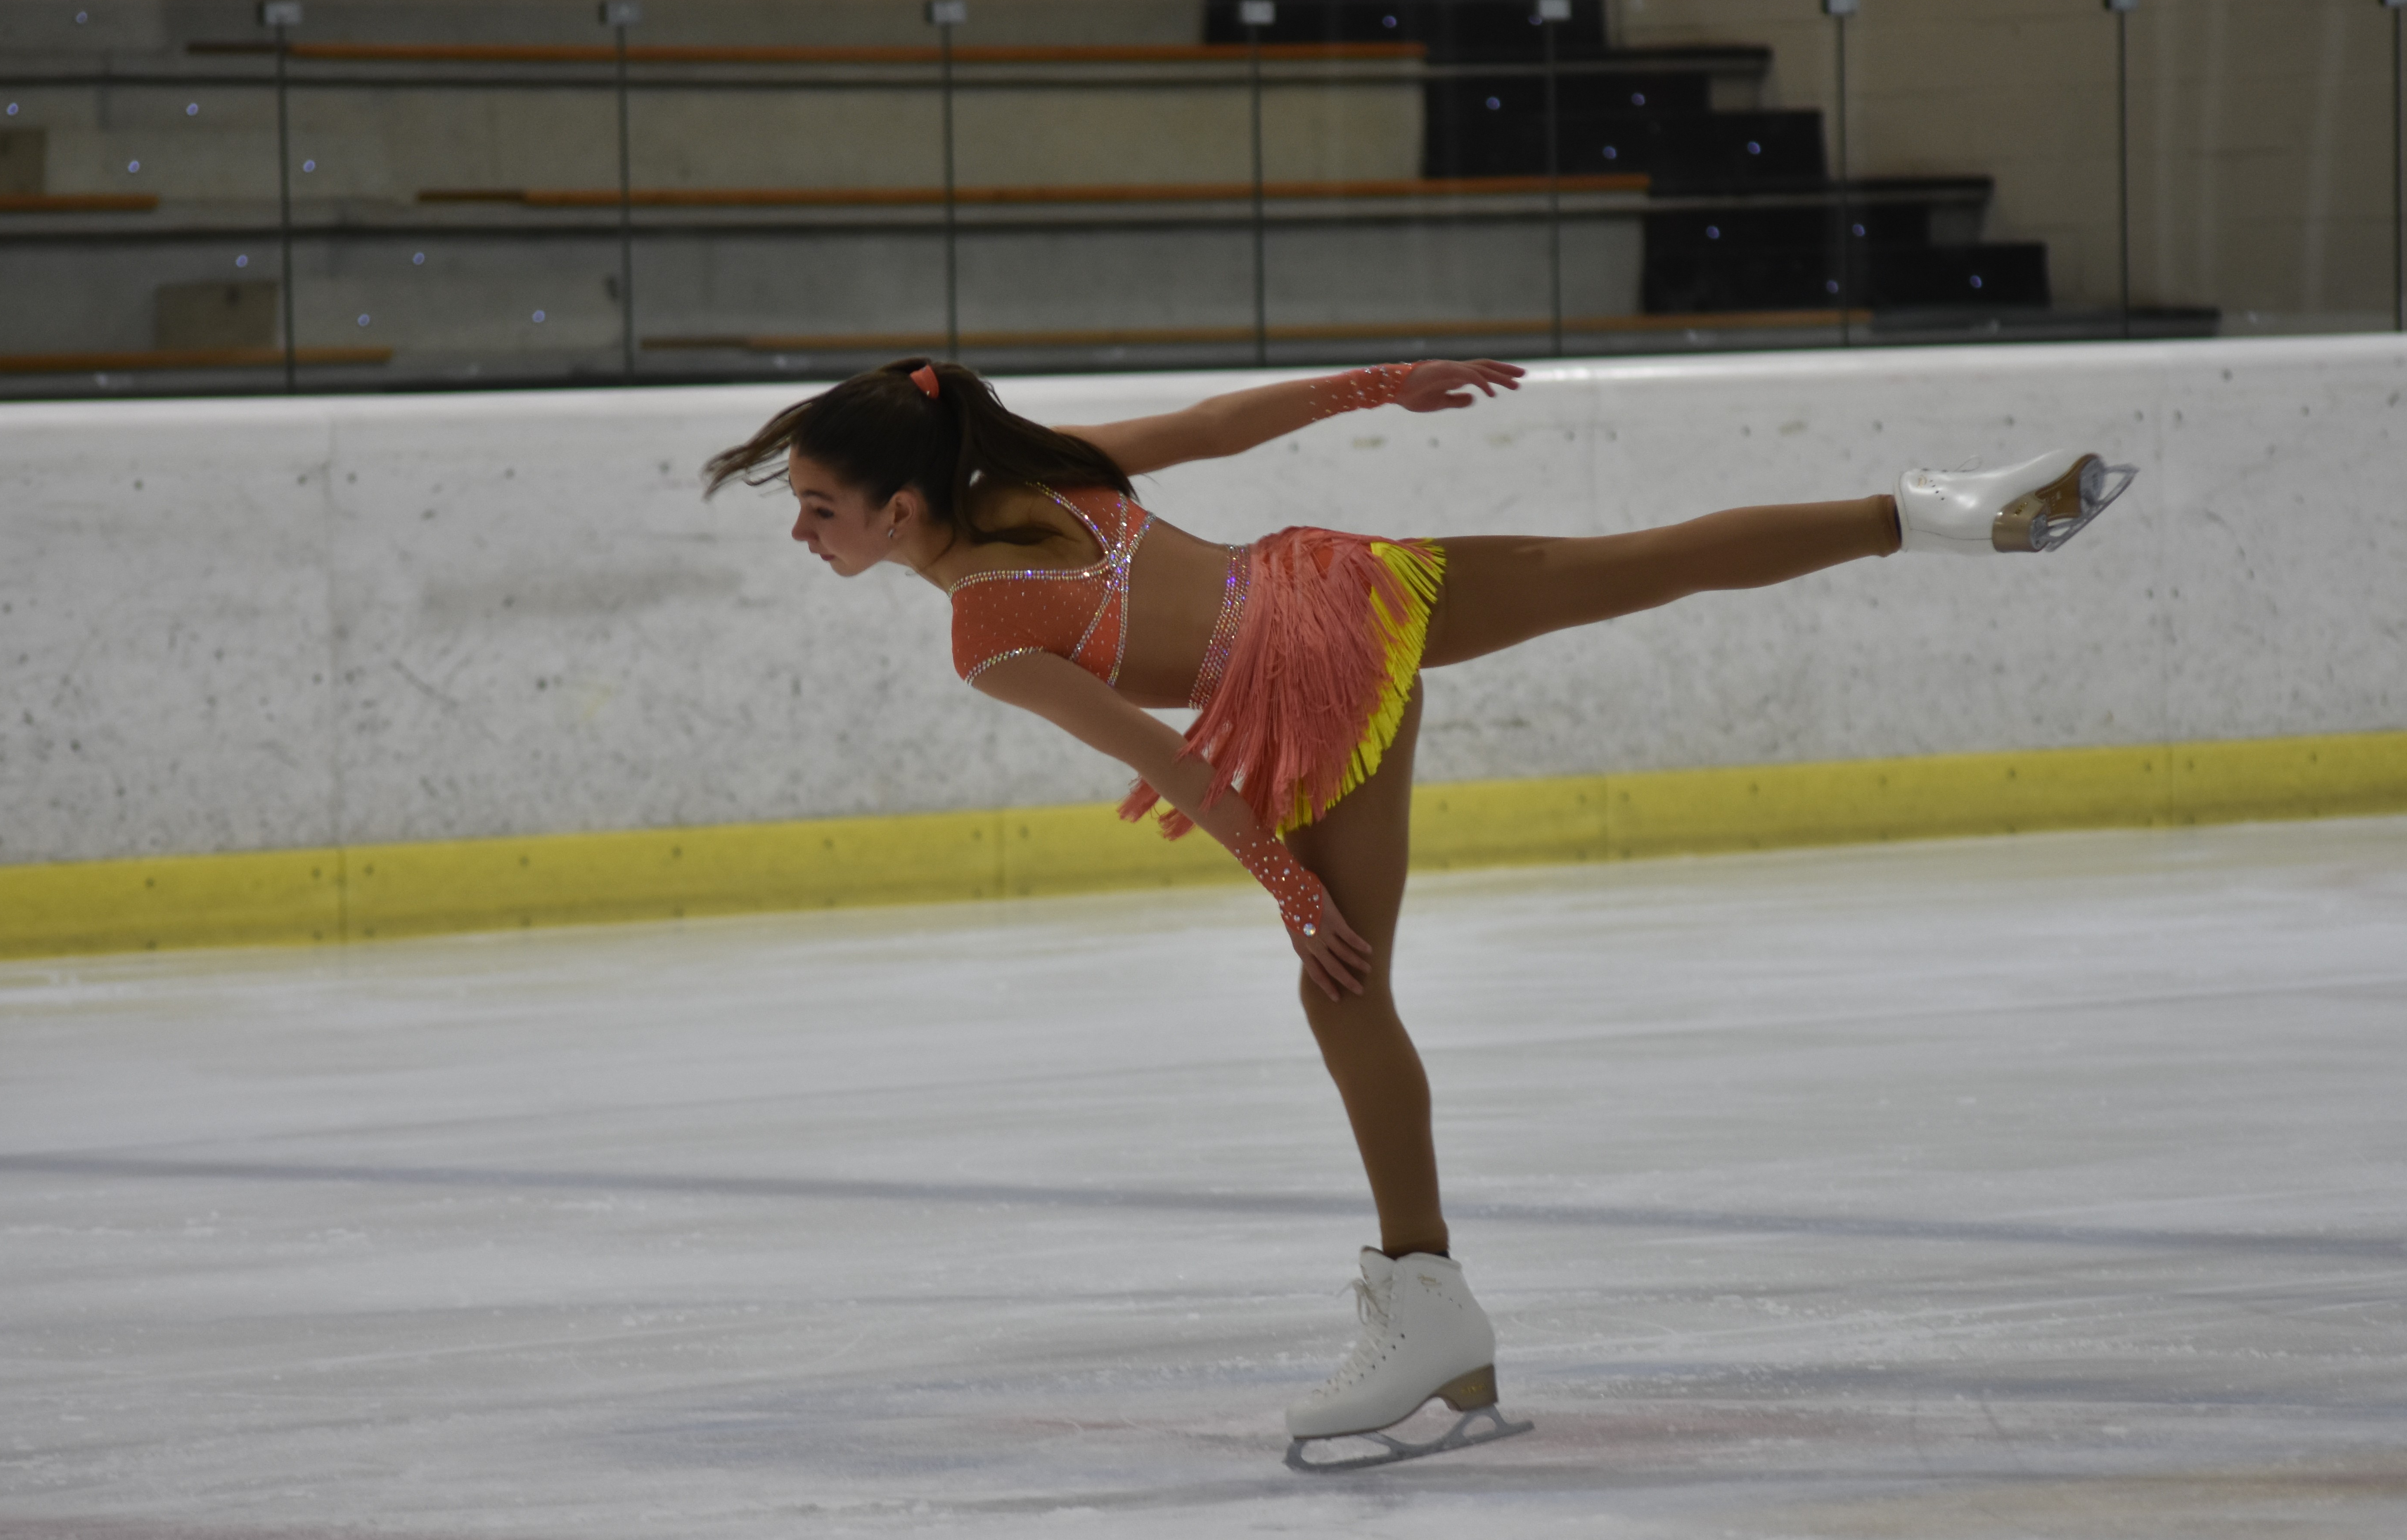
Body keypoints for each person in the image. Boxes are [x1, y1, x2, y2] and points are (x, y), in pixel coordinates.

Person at [703, 356, 2133, 1468]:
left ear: (901, 510)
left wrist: (1290, 891)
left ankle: (1427, 1300)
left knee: (1342, 989)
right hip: (1340, 582)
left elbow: (1183, 767)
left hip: (1305, 685)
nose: (802, 530)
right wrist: (1380, 384)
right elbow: (1217, 427)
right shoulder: (1039, 475)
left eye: (819, 506)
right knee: (1641, 560)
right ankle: (1939, 513)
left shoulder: (987, 626)